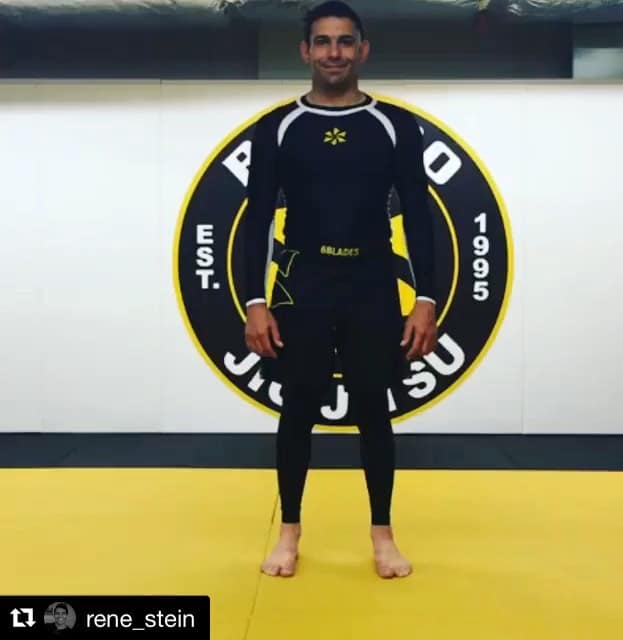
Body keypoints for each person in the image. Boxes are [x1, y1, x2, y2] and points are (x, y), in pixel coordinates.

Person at [243, 0, 437, 579]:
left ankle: (383, 536)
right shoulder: (277, 127)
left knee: (373, 409)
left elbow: (419, 217)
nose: (334, 52)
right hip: (303, 283)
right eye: (323, 42)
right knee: (297, 407)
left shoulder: (395, 125)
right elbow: (257, 220)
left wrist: (425, 298)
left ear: (363, 50)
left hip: (372, 282)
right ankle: (288, 533)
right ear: (306, 51)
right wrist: (255, 302)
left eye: (345, 41)